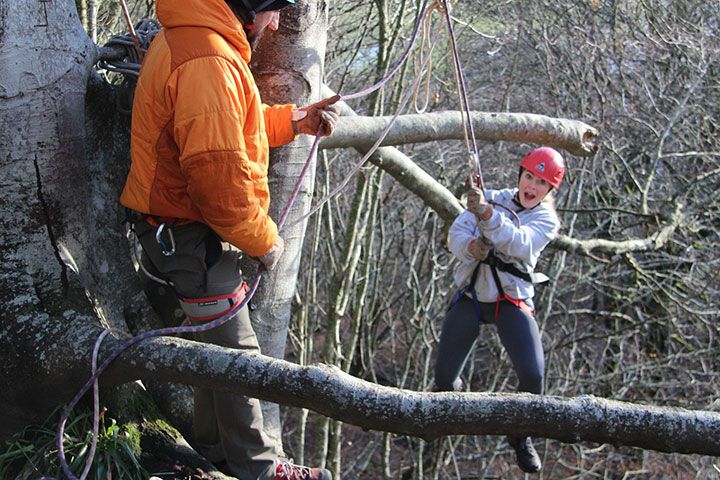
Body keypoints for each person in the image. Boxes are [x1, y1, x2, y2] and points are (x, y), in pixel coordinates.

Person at [120, 0, 339, 478]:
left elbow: (233, 124)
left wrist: (296, 120)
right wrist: (265, 241)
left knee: (213, 350)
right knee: (239, 358)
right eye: (272, 10)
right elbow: (219, 183)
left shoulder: (201, 41)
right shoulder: (209, 60)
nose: (277, 22)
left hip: (181, 231)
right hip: (188, 236)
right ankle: (260, 470)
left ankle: (215, 450)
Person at [434, 147, 565, 474]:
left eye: (540, 183)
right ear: (520, 174)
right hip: (473, 295)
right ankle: (448, 411)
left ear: (549, 190)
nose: (531, 186)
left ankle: (521, 435)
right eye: (529, 177)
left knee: (533, 375)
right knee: (443, 379)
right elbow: (456, 234)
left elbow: (518, 243)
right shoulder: (490, 196)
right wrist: (470, 248)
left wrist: (488, 216)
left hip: (511, 300)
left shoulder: (545, 219)